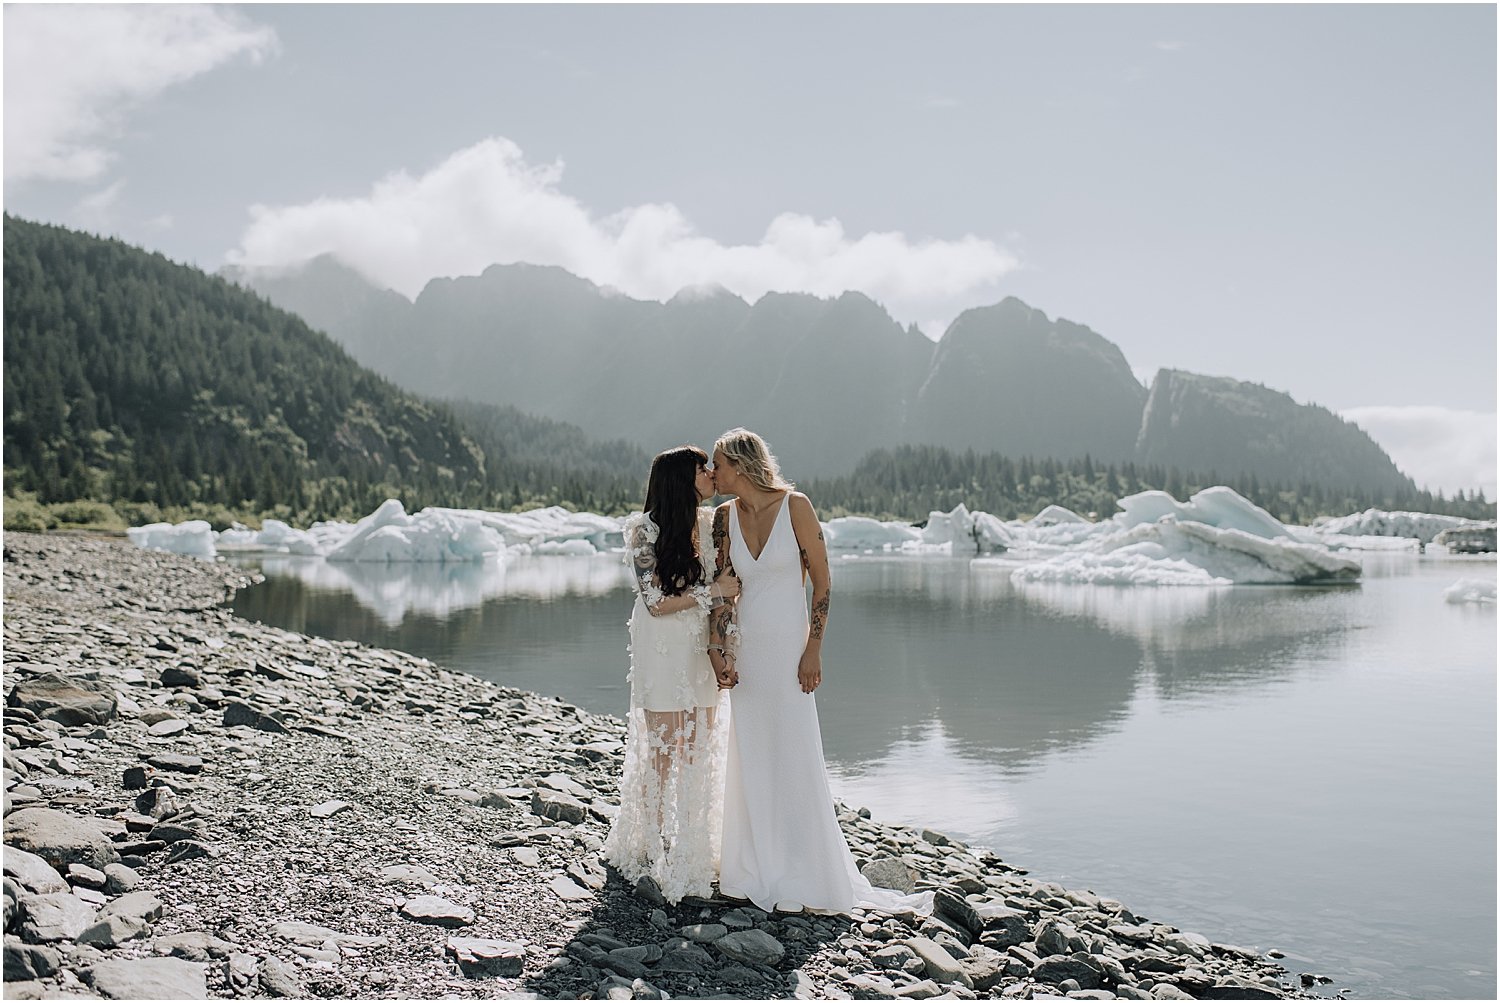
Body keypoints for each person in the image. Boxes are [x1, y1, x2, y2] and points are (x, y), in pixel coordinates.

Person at [709, 428, 931, 915]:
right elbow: (724, 589)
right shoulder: (723, 518)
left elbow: (824, 582)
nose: (712, 472)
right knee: (750, 753)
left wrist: (814, 648)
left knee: (795, 750)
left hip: (790, 652)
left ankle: (802, 866)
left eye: (718, 463)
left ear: (742, 465)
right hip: (748, 652)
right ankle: (752, 865)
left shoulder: (797, 507)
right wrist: (721, 647)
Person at [601, 445, 740, 904]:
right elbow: (656, 602)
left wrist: (725, 648)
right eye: (703, 468)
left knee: (700, 744)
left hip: (698, 646)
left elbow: (726, 593)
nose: (711, 473)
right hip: (660, 646)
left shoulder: (708, 525)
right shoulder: (644, 530)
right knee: (664, 747)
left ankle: (695, 848)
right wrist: (713, 590)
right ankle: (653, 847)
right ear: (683, 478)